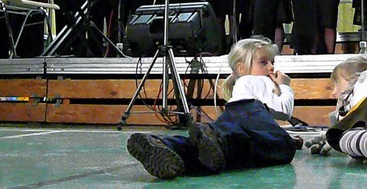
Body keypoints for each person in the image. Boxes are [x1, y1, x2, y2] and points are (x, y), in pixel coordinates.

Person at [126, 37, 297, 179]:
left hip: (229, 117)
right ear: (242, 68)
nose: (271, 67)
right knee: (283, 146)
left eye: (272, 62)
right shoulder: (258, 79)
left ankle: (169, 146)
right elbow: (283, 110)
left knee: (223, 153)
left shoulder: (242, 85)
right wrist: (285, 86)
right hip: (251, 111)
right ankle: (219, 138)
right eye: (263, 62)